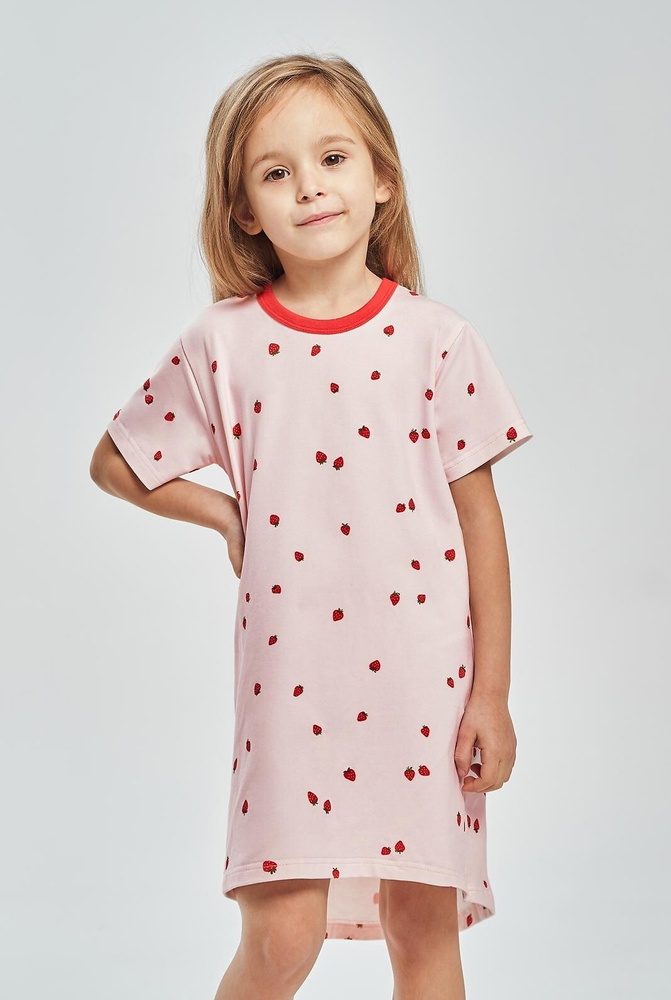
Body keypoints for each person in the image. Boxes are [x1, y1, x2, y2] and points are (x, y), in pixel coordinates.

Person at [90, 52, 534, 1000]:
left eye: (332, 158)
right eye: (276, 171)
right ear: (244, 210)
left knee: (424, 931)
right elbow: (117, 462)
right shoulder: (223, 342)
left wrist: (490, 696)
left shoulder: (438, 340)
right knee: (281, 937)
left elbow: (482, 529)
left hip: (425, 684)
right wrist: (224, 514)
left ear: (382, 179)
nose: (309, 188)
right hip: (291, 689)